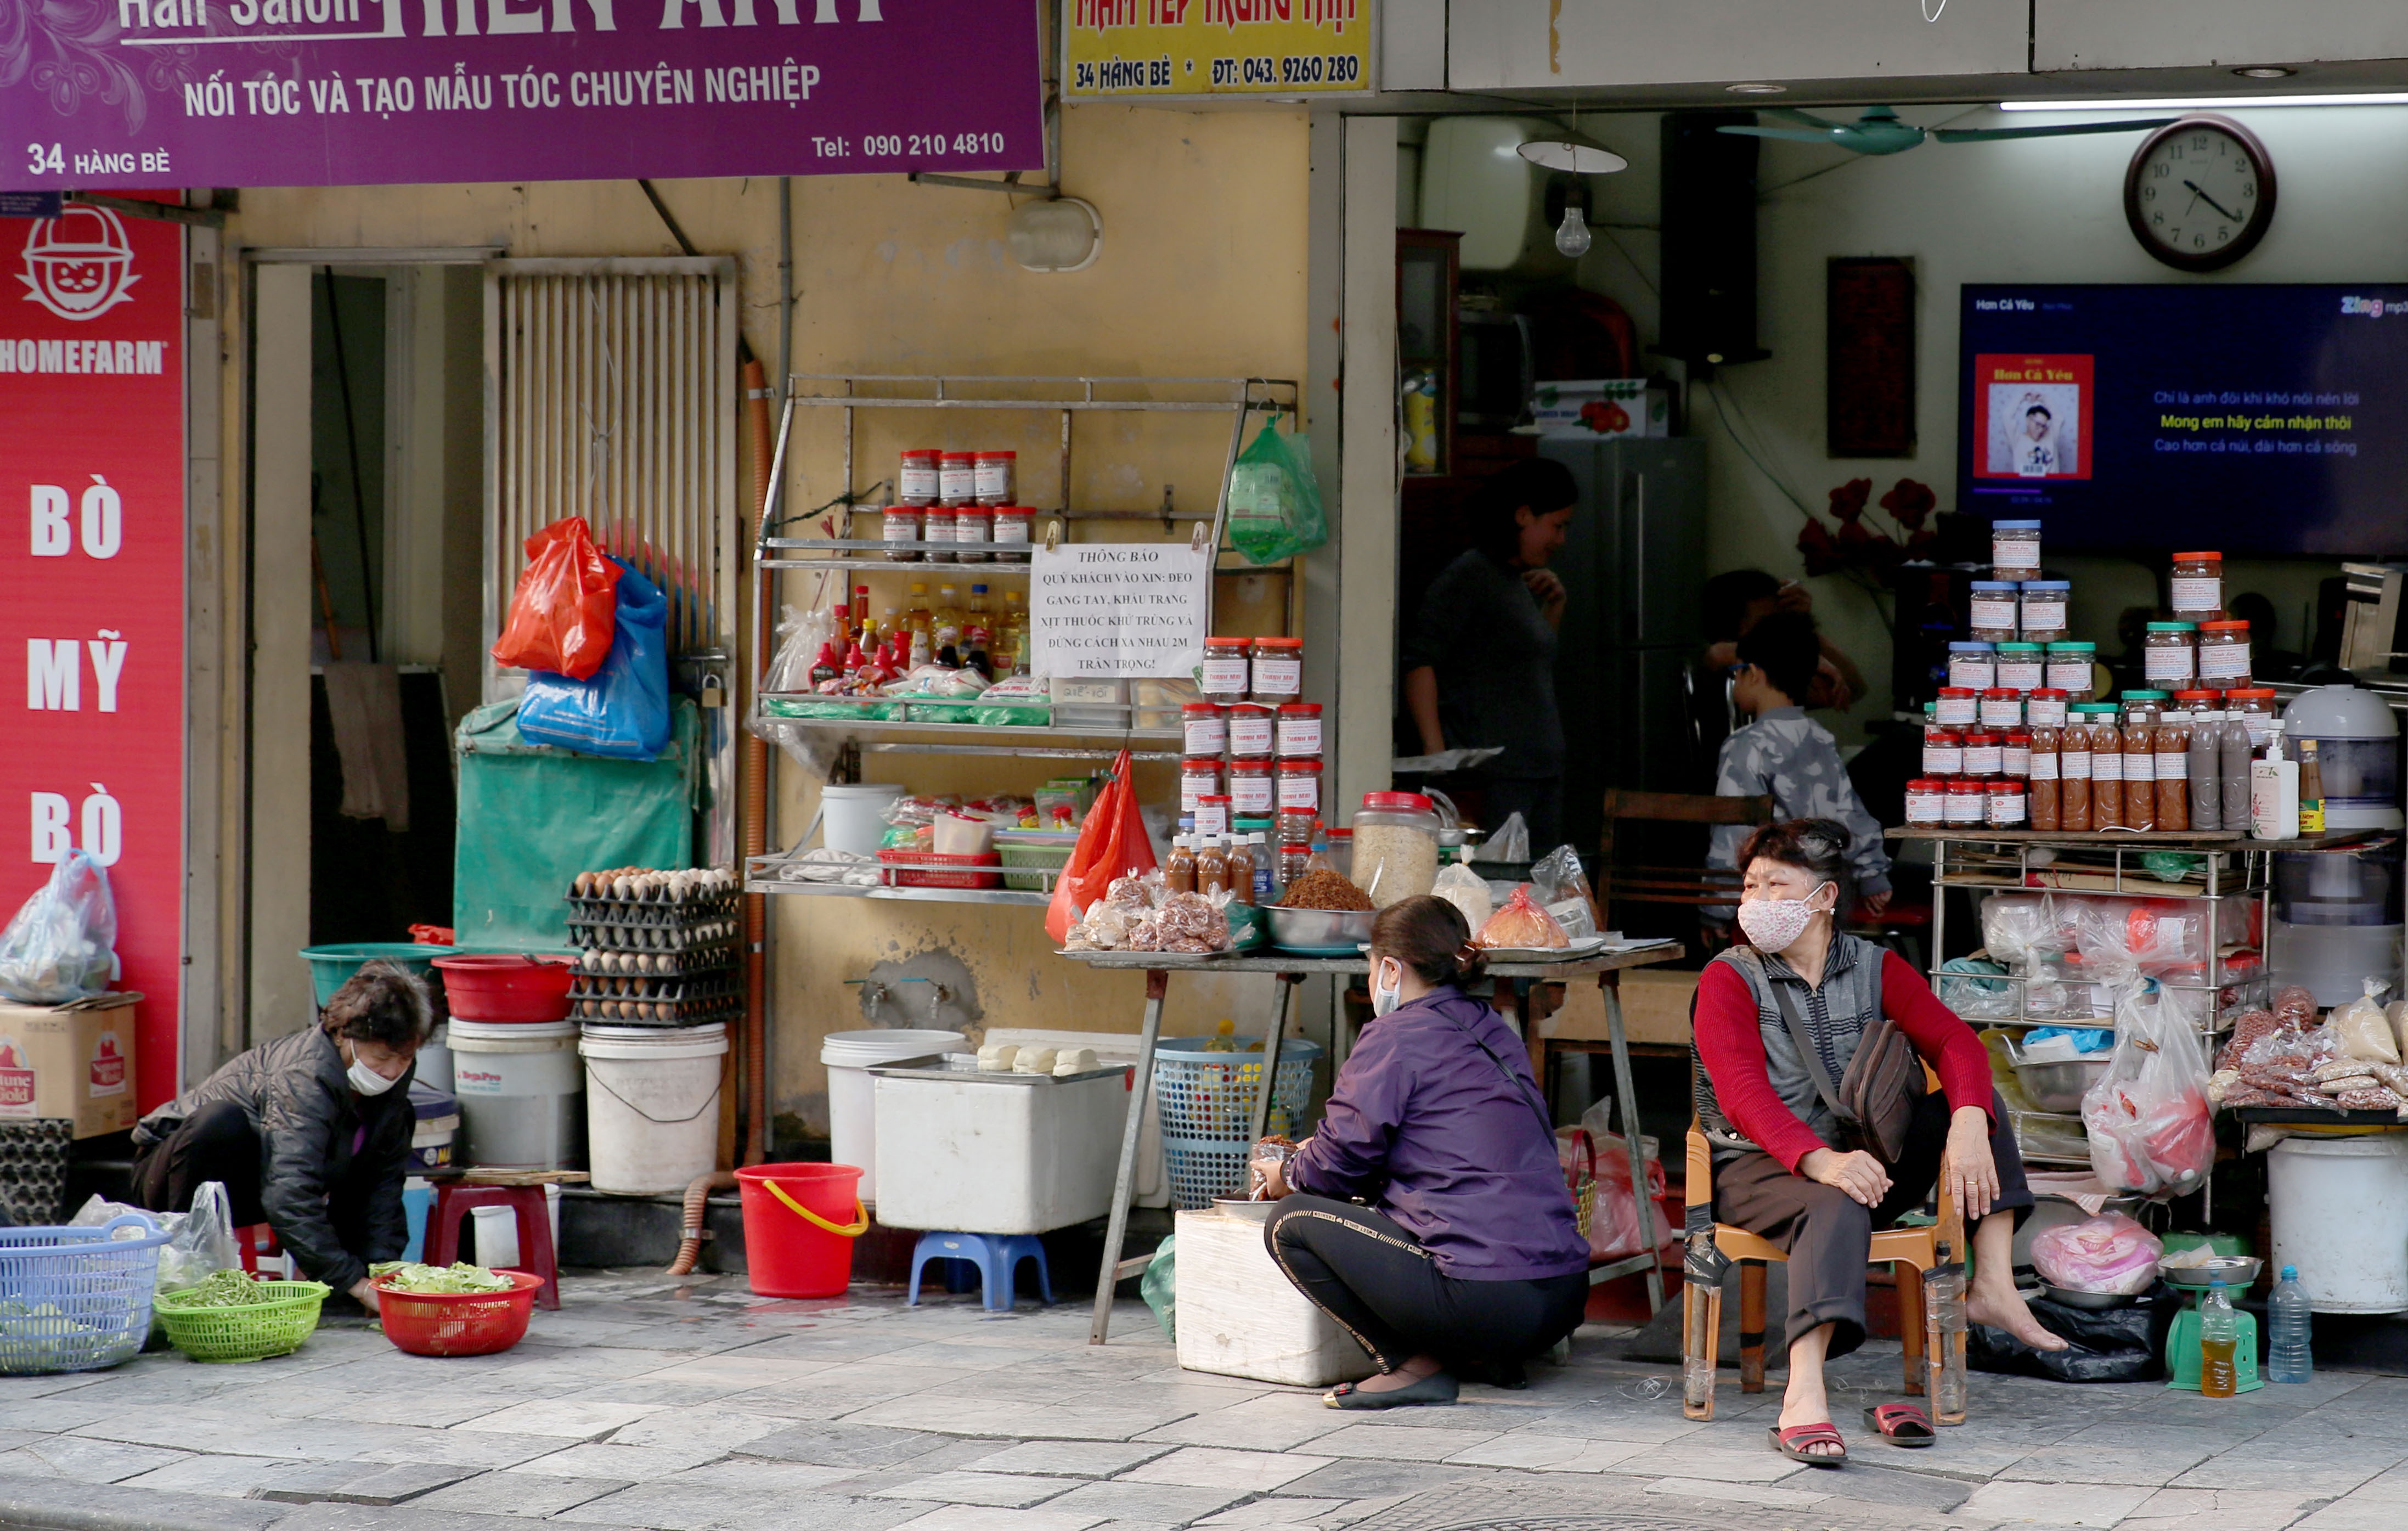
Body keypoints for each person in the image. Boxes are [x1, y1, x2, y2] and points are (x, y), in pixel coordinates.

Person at [1691, 820, 2066, 1466]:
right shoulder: (1731, 977)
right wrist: (1821, 1161)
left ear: (1826, 897)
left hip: (1867, 1163)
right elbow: (1742, 1096)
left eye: (1777, 884)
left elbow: (1955, 1043)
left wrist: (1971, 1119)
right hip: (1759, 1171)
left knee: (1971, 1101)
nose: (1757, 901)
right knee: (1829, 1201)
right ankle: (1803, 1394)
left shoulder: (1874, 967)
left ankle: (1994, 1286)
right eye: (1751, 885)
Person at [1253, 897, 1591, 1409]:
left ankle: (1410, 1368)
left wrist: (1289, 1171)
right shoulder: (1493, 1028)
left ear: (1390, 968)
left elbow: (1334, 1167)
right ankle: (1485, 1356)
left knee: (1291, 1220)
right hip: (1562, 1298)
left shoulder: (1395, 1035)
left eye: (1369, 967)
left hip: (1486, 1299)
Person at [131, 960, 427, 1313]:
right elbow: (288, 1191)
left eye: (404, 1059)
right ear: (346, 1036)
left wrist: (380, 1276)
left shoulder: (389, 1086)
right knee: (220, 1121)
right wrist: (352, 1282)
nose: (392, 1071)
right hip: (172, 1180)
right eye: (382, 1058)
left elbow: (383, 1188)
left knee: (377, 1140)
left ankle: (343, 1299)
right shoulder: (305, 1077)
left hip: (264, 1182)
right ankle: (193, 1276)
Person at [1401, 458, 1578, 849]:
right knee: (1499, 888)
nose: (1561, 539)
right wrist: (1437, 757)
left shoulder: (1517, 581)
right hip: (1496, 777)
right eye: (1556, 526)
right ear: (1522, 515)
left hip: (1540, 769)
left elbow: (1530, 663)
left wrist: (1553, 608)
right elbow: (1419, 661)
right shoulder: (1469, 577)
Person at [1708, 610, 1892, 920]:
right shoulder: (1819, 737)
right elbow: (1852, 814)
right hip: (1828, 891)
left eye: (1735, 673)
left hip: (1772, 897)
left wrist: (1719, 909)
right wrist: (1873, 876)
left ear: (1752, 673)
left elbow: (1733, 834)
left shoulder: (1746, 746)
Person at [1699, 570, 1867, 716]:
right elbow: (1717, 654)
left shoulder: (1775, 677)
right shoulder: (1717, 672)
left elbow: (1853, 689)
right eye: (1767, 624)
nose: (1778, 631)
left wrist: (1802, 625)